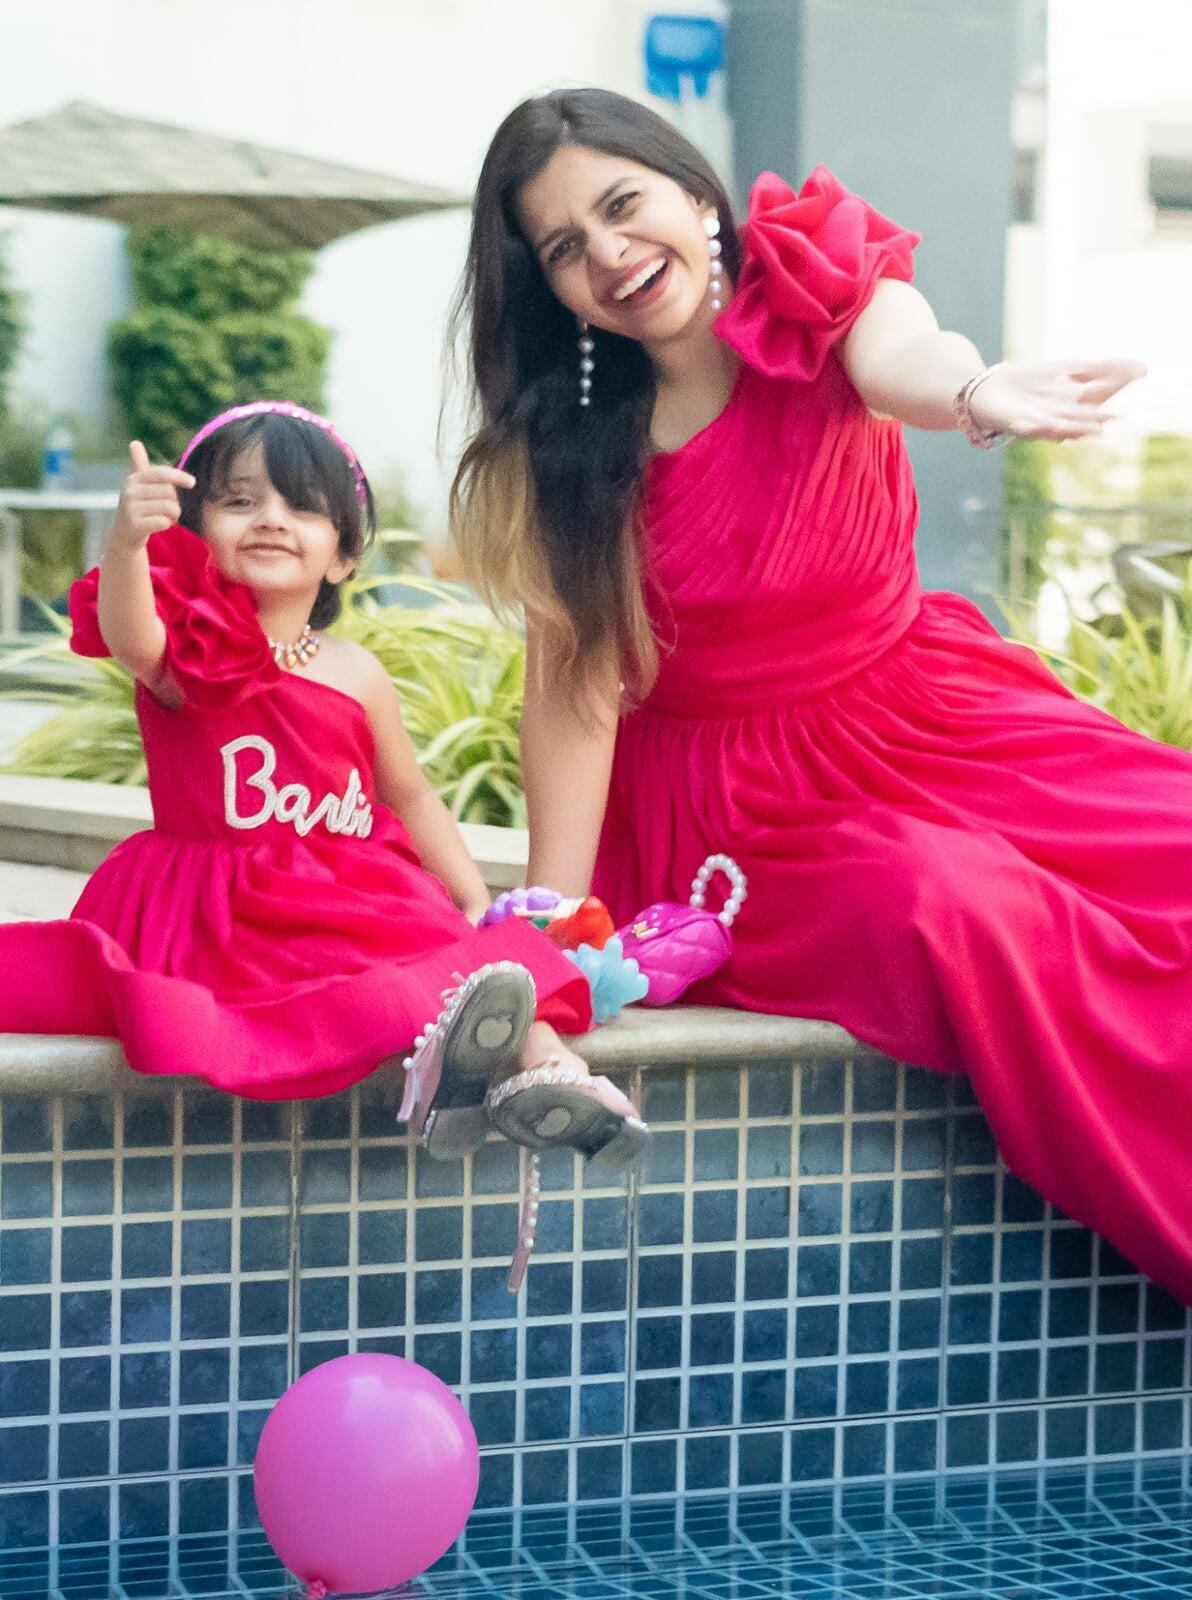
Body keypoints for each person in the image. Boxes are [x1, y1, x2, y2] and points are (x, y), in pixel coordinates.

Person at [449, 87, 1192, 1304]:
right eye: (566, 249)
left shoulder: (813, 270)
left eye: (623, 205)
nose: (612, 256)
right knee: (959, 901)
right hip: (742, 816)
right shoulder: (574, 450)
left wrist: (975, 395)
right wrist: (556, 928)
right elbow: (574, 695)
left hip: (931, 712)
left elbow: (903, 356)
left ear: (694, 191)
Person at [0, 403, 647, 1282]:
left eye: (301, 506)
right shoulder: (185, 648)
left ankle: (541, 1070)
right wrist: (126, 544)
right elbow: (129, 632)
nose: (269, 518)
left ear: (342, 551)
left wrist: (465, 893)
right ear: (195, 533)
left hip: (348, 886)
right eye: (237, 500)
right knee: (376, 972)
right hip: (223, 903)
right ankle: (453, 1072)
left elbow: (409, 793)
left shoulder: (355, 670)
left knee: (469, 952)